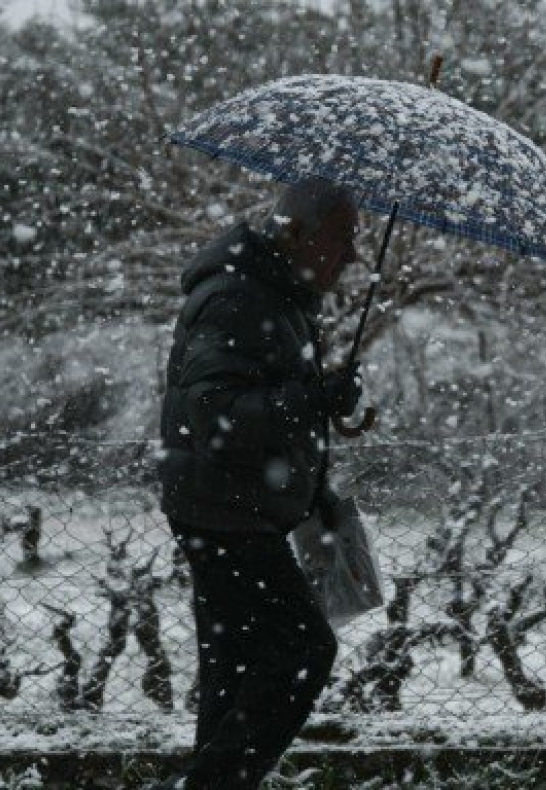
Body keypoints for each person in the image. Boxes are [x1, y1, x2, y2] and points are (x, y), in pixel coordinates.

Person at [154, 176, 363, 790]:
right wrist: (310, 399)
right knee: (302, 651)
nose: (351, 254)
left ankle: (215, 779)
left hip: (230, 504)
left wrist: (313, 478)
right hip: (223, 509)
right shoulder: (238, 298)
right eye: (342, 239)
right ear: (296, 232)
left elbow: (262, 405)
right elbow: (215, 413)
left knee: (236, 669)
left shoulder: (279, 293)